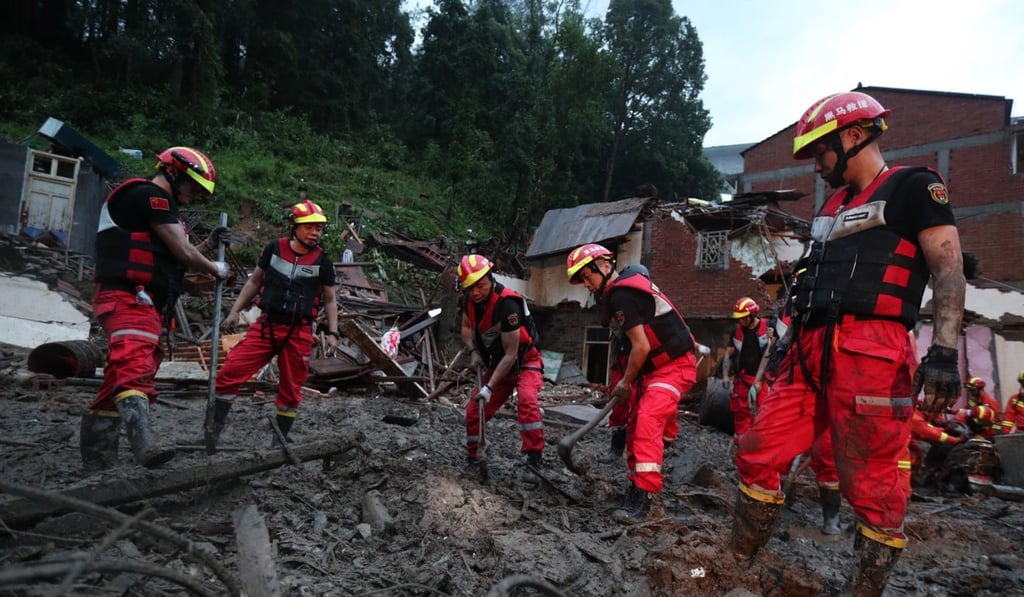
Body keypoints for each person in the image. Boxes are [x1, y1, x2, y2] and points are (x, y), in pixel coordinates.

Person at [728, 90, 966, 596]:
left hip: (871, 350)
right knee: (757, 449)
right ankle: (736, 567)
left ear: (855, 136)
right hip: (808, 349)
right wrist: (778, 351)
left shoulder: (915, 187)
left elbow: (948, 270)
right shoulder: (831, 206)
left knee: (874, 485)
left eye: (821, 151)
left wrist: (944, 352)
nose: (816, 165)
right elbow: (807, 286)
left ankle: (862, 589)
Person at [81, 146, 230, 472]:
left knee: (120, 377)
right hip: (129, 297)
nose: (194, 196)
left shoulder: (158, 209)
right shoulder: (150, 197)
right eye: (193, 187)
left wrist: (202, 257)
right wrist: (216, 268)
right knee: (134, 361)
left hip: (142, 299)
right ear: (174, 172)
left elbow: (174, 258)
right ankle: (142, 441)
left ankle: (97, 460)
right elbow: (181, 250)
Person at [566, 244, 698, 520]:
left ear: (604, 265)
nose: (588, 286)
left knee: (648, 419)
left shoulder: (621, 295)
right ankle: (635, 486)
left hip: (673, 367)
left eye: (587, 277)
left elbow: (641, 347)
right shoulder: (621, 295)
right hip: (654, 370)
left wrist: (625, 383)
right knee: (636, 425)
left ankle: (644, 498)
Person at [205, 199, 339, 450]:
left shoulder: (323, 261)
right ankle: (213, 430)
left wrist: (332, 332)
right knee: (229, 373)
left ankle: (279, 441)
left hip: (298, 332)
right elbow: (254, 282)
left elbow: (330, 300)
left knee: (291, 389)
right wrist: (235, 312)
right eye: (310, 227)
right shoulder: (274, 249)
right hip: (266, 327)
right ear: (294, 226)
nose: (315, 233)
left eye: (319, 228)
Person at [458, 254, 545, 474]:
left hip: (524, 361)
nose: (475, 292)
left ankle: (534, 458)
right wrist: (473, 350)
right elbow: (467, 328)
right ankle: (473, 456)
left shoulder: (507, 304)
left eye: (480, 285)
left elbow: (511, 353)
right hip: (498, 365)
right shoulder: (468, 300)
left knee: (526, 401)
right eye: (470, 287)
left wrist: (488, 387)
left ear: (490, 278)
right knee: (474, 410)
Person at [722, 297, 785, 443]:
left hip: (763, 381)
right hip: (742, 380)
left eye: (742, 318)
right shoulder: (737, 332)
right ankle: (741, 445)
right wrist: (725, 375)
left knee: (764, 412)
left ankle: (760, 444)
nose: (740, 322)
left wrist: (760, 381)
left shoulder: (769, 327)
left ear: (751, 315)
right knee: (740, 412)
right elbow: (728, 354)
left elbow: (772, 352)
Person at [999, 371, 1024, 435]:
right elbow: (1008, 418)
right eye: (1023, 383)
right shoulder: (1014, 399)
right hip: (1020, 433)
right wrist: (1006, 433)